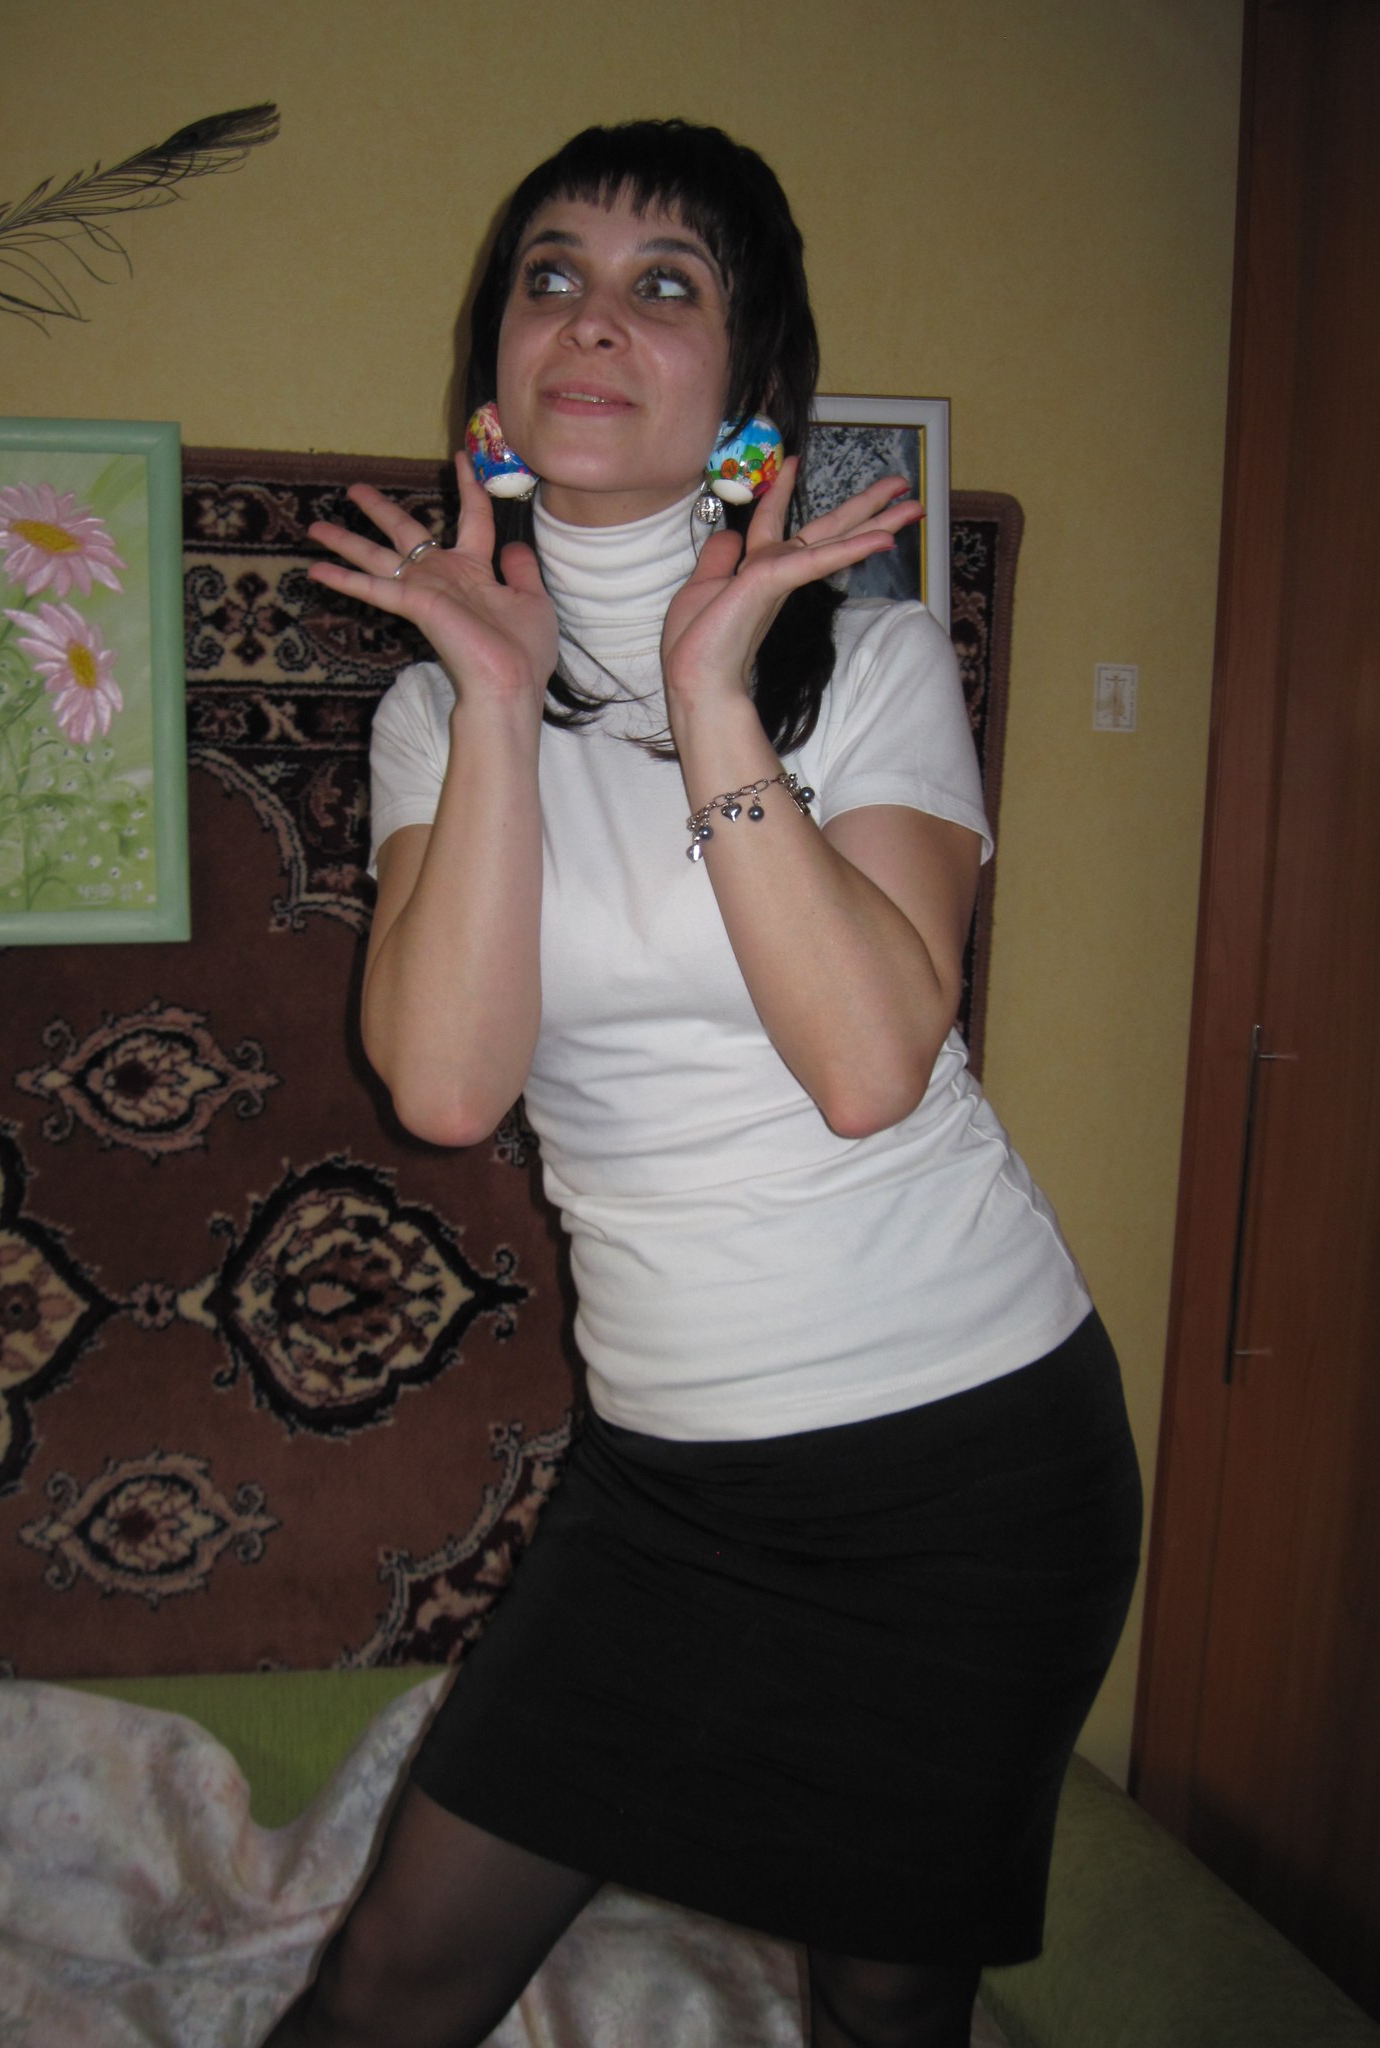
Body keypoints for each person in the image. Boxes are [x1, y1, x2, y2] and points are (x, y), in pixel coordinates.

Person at [267, 119, 1141, 2048]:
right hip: (665, 1489)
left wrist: (713, 691)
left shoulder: (871, 661)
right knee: (394, 1978)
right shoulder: (437, 704)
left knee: (887, 1995)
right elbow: (446, 1086)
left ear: (749, 388)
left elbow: (868, 1067)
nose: (592, 319)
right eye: (551, 276)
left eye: (665, 284)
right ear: (495, 361)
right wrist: (504, 702)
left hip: (970, 1466)